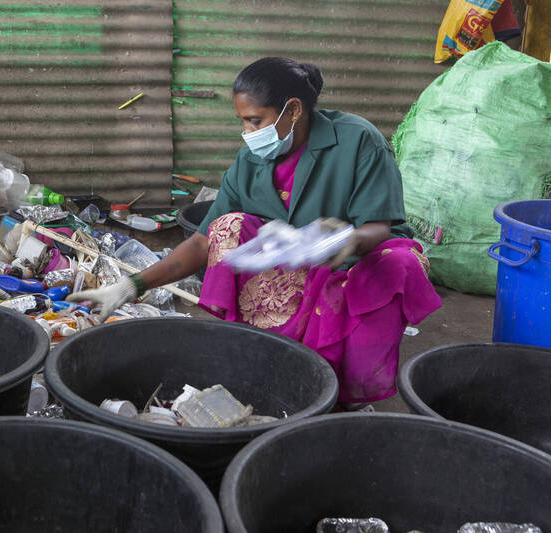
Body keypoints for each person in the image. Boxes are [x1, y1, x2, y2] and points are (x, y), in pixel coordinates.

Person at [69, 57, 442, 407]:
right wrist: (129, 287)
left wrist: (343, 240)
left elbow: (379, 226)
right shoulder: (250, 160)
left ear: (293, 110)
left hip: (352, 269)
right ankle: (266, 356)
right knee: (229, 226)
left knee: (402, 263)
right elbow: (202, 241)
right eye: (243, 122)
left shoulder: (358, 139)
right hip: (296, 274)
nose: (247, 133)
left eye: (255, 121)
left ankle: (346, 394)